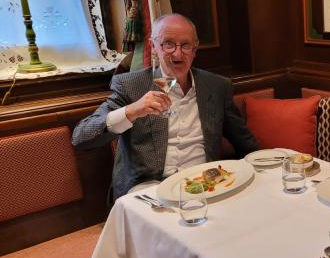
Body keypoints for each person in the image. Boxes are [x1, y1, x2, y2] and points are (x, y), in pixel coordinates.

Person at [72, 13, 259, 200]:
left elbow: (245, 142)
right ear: (153, 47)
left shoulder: (217, 86)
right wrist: (131, 111)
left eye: (185, 45)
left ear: (194, 49)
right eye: (168, 44)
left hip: (205, 185)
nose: (178, 53)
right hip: (148, 190)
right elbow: (81, 138)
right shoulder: (131, 86)